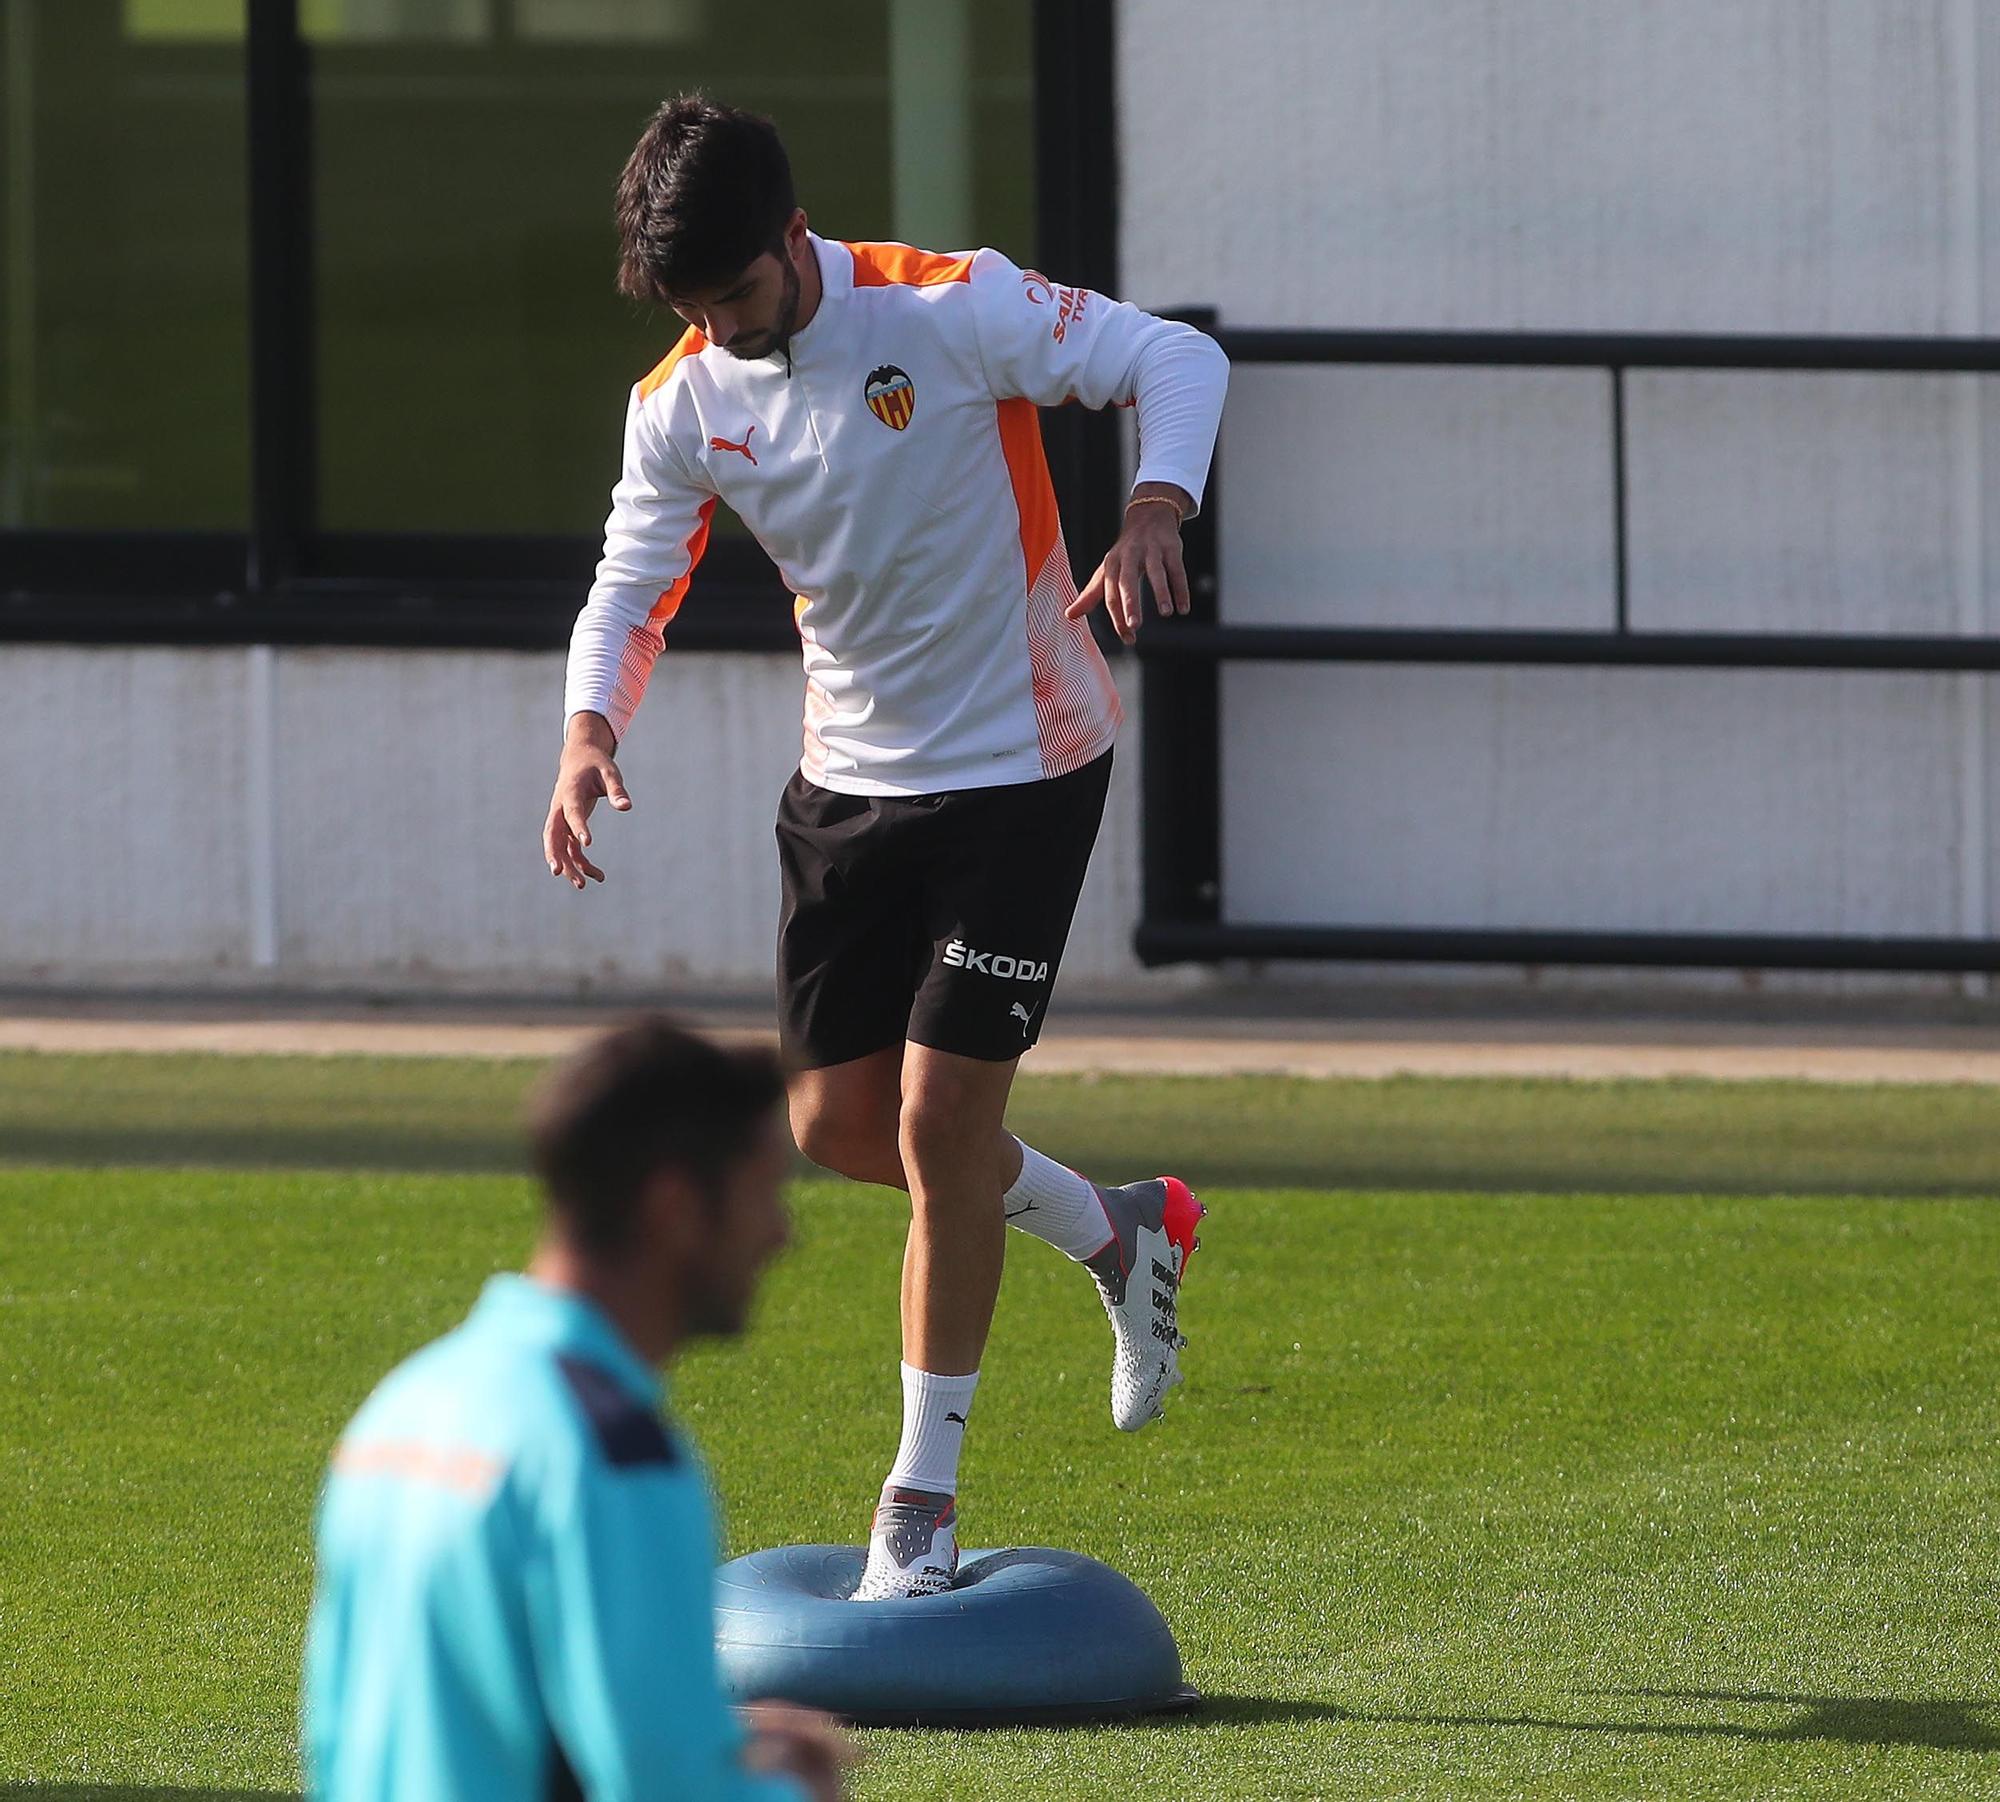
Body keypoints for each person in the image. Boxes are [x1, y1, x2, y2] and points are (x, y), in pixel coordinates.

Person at [544, 94, 1227, 1601]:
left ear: (795, 239)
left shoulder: (951, 305)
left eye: (736, 295)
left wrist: (1158, 503)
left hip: (1021, 768)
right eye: (693, 309)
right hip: (845, 789)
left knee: (934, 1128)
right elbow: (629, 580)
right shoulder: (682, 402)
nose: (721, 328)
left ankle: (917, 1509)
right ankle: (1118, 1232)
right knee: (836, 1132)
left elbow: (1176, 355)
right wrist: (592, 730)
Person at [301, 1018, 854, 1801]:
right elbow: (663, 1787)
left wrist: (719, 1736)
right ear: (673, 1205)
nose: (781, 1235)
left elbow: (339, 1736)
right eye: (764, 1192)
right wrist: (797, 1788)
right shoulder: (610, 1451)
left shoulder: (404, 1407)